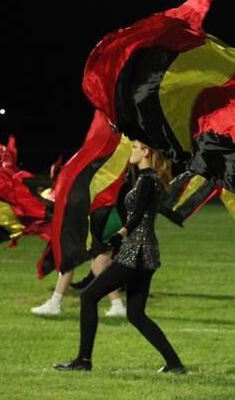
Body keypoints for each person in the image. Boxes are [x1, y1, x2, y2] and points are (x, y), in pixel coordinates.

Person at [54, 140, 185, 373]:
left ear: (146, 151)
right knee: (136, 314)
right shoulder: (149, 179)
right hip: (147, 253)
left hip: (135, 252)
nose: (131, 151)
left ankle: (84, 360)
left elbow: (138, 216)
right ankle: (174, 364)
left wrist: (120, 235)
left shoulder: (147, 180)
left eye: (135, 147)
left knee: (88, 297)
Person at [30, 254, 126, 317]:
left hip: (93, 227)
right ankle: (118, 305)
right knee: (99, 264)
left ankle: (55, 303)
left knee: (69, 260)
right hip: (96, 227)